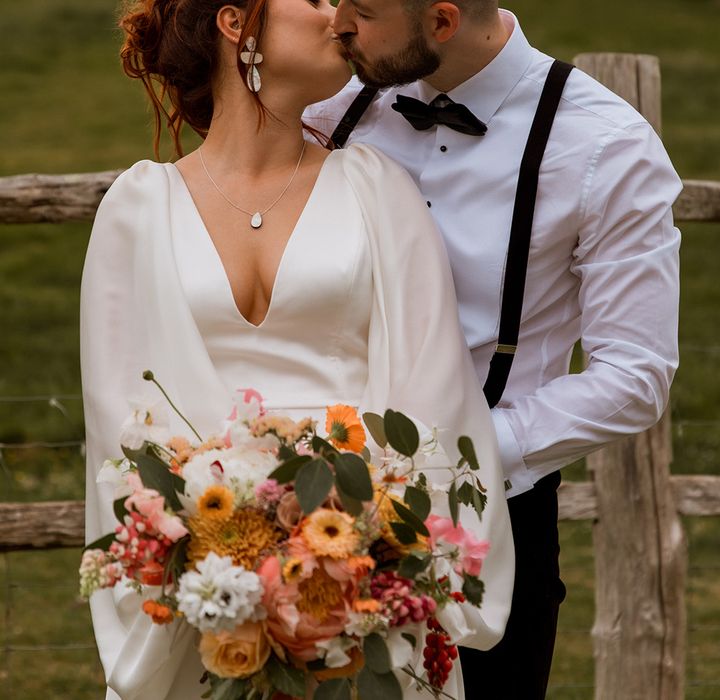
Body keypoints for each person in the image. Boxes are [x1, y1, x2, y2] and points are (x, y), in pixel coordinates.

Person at [80, 1, 514, 699]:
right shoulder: (137, 207)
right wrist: (211, 554)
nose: (339, 16)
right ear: (235, 24)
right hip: (203, 593)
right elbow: (120, 422)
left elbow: (432, 392)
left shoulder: (375, 189)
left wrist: (360, 552)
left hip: (359, 580)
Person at [304, 1, 682, 698]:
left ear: (442, 22)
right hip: (308, 509)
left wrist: (465, 453)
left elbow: (635, 375)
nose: (338, 24)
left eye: (361, 11)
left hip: (489, 525)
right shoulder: (327, 112)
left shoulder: (604, 145)